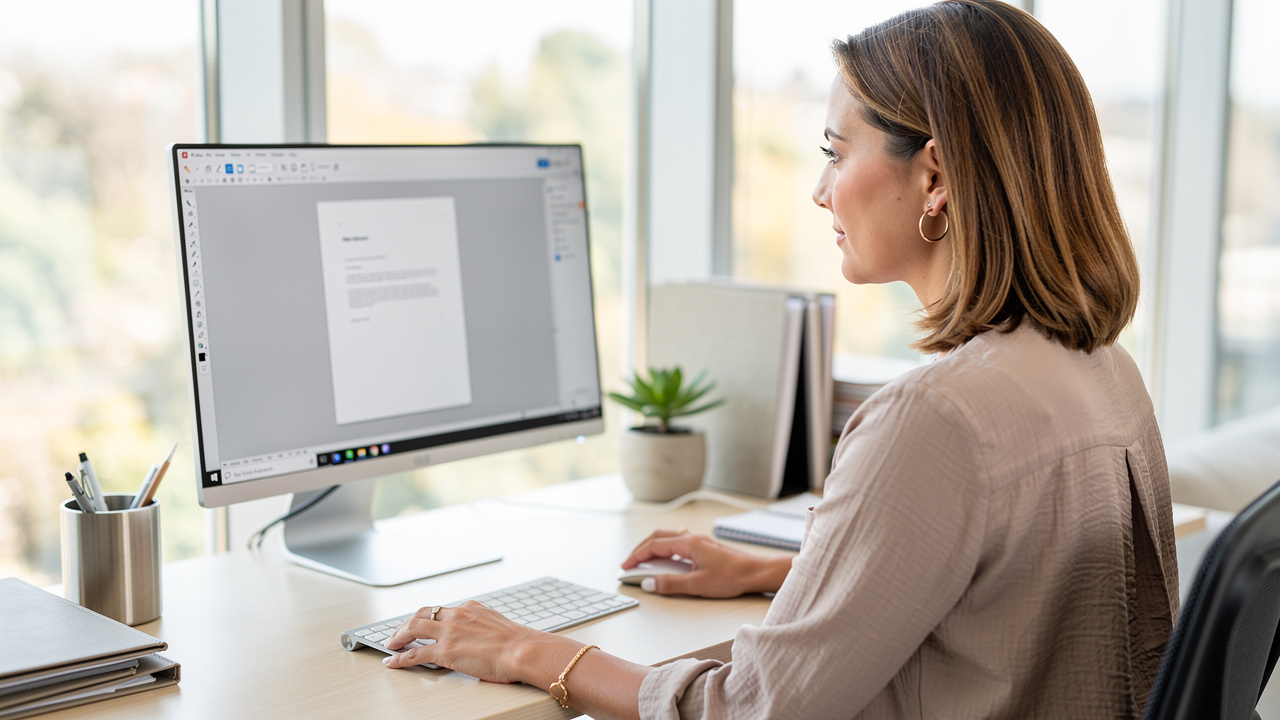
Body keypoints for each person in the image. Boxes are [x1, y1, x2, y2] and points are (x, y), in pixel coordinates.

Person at [382, 1, 1179, 717]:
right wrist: (782, 575)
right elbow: (1004, 589)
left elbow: (751, 709)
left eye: (837, 152)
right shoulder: (1103, 368)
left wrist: (527, 649)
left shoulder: (937, 419)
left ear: (934, 175)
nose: (821, 190)